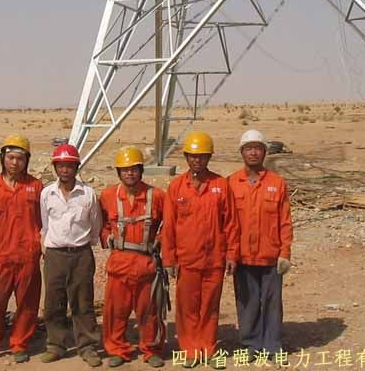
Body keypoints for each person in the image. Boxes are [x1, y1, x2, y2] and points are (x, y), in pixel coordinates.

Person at [162, 132, 239, 369]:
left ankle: (209, 349)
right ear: (186, 157)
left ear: (209, 157)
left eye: (202, 156)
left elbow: (231, 223)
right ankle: (190, 350)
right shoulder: (176, 187)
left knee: (210, 307)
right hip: (187, 260)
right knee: (187, 308)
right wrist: (169, 259)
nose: (197, 160)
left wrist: (232, 254)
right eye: (193, 156)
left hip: (214, 260)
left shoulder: (221, 185)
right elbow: (169, 226)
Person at [0, 135, 44, 364]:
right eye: (11, 157)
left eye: (20, 159)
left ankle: (19, 344)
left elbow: (45, 221)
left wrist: (40, 248)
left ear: (27, 161)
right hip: (1, 257)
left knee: (27, 304)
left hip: (28, 256)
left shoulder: (36, 187)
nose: (15, 163)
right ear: (3, 158)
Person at [228, 130, 293, 360]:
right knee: (247, 303)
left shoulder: (277, 183)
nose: (253, 152)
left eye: (258, 148)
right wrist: (230, 254)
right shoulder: (231, 183)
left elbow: (285, 221)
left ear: (264, 152)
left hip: (271, 256)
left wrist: (285, 252)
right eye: (249, 148)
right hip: (243, 256)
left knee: (273, 303)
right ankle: (251, 345)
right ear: (242, 152)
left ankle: (273, 346)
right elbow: (227, 223)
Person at [99, 146, 166, 369]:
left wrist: (160, 240)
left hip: (146, 264)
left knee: (149, 311)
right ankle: (117, 349)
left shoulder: (157, 196)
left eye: (134, 169)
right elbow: (102, 223)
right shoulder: (108, 196)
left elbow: (170, 223)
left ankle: (151, 349)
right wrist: (107, 236)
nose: (130, 173)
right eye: (125, 169)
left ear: (141, 170)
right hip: (119, 263)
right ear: (119, 172)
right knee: (115, 311)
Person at [39, 143, 102, 368]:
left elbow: (95, 226)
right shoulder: (47, 194)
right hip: (55, 255)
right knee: (54, 302)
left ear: (77, 167)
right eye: (61, 165)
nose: (65, 170)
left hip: (81, 255)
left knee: (83, 302)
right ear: (55, 167)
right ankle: (56, 345)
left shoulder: (88, 194)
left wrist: (83, 245)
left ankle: (87, 346)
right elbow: (45, 224)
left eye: (69, 165)